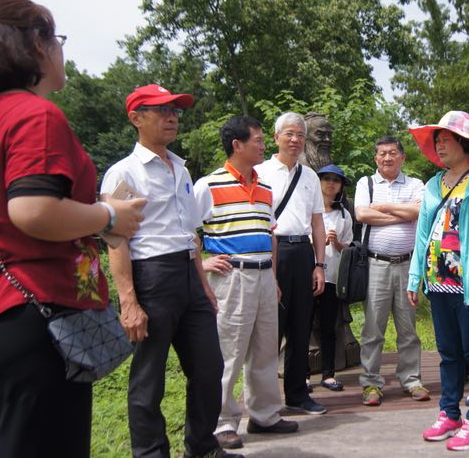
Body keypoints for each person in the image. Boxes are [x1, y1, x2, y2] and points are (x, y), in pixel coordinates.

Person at [0, 0, 145, 458]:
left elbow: (8, 211)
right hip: (40, 319)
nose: (62, 51)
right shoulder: (35, 115)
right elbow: (32, 210)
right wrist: (110, 215)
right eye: (57, 38)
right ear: (36, 44)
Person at [101, 84, 232, 458]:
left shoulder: (181, 168)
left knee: (209, 368)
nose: (171, 116)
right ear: (135, 117)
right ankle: (150, 453)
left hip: (188, 274)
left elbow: (190, 232)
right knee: (149, 378)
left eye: (174, 109)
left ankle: (202, 447)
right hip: (151, 277)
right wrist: (128, 301)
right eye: (160, 110)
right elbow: (116, 240)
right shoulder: (123, 174)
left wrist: (203, 284)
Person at [195, 115, 298, 451]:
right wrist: (205, 263)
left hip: (264, 276)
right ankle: (223, 423)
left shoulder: (266, 187)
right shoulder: (208, 185)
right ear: (236, 145)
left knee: (266, 349)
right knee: (229, 351)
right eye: (256, 139)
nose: (262, 144)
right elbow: (186, 232)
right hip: (231, 278)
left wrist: (273, 276)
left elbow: (271, 235)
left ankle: (265, 415)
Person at [407, 111, 469, 451]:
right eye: (437, 139)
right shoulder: (434, 184)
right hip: (438, 282)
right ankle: (449, 413)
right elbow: (422, 234)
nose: (440, 144)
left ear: (465, 143)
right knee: (448, 353)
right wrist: (415, 275)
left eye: (446, 138)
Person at [255, 112, 328, 415]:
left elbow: (317, 223)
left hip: (302, 253)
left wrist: (320, 264)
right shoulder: (259, 172)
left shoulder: (310, 175)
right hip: (273, 251)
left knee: (301, 326)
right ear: (276, 137)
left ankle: (298, 393)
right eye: (289, 134)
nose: (295, 139)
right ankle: (265, 400)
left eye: (300, 134)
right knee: (270, 329)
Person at [354, 136, 428, 406]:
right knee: (373, 329)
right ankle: (371, 383)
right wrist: (403, 213)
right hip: (375, 265)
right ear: (376, 158)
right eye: (382, 153)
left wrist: (382, 207)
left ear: (402, 157)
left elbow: (421, 212)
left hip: (408, 265)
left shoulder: (415, 184)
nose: (387, 157)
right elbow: (362, 215)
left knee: (408, 328)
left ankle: (412, 380)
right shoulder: (367, 183)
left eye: (393, 153)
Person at [313, 164, 354, 391]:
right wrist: (316, 240)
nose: (331, 183)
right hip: (308, 273)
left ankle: (328, 374)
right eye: (326, 179)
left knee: (329, 327)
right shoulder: (309, 209)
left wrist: (336, 242)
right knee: (302, 326)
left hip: (332, 276)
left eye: (336, 180)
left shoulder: (344, 214)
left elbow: (348, 247)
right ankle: (302, 376)